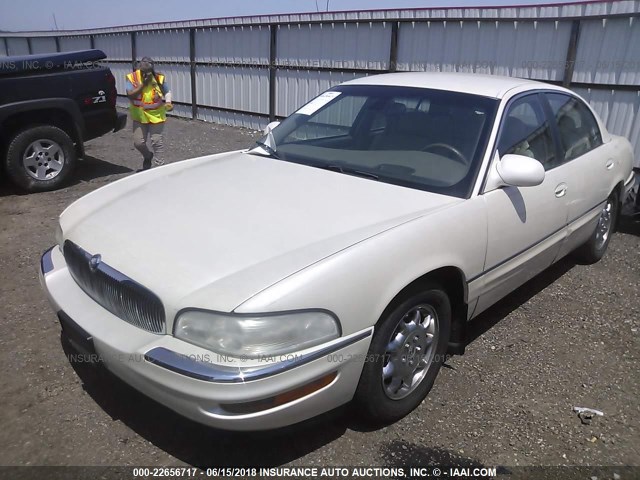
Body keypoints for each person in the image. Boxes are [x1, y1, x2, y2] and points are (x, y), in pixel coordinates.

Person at [125, 57, 173, 170]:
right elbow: (130, 94)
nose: (146, 74)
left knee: (156, 140)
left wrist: (169, 102)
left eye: (148, 71)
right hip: (139, 115)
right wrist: (143, 84)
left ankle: (159, 166)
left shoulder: (158, 77)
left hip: (156, 114)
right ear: (139, 68)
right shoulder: (132, 78)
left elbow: (167, 91)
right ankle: (148, 156)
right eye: (143, 71)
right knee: (138, 143)